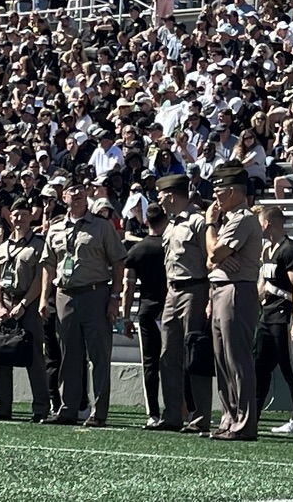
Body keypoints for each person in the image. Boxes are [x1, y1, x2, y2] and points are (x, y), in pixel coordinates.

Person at [41, 179, 126, 427]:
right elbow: (48, 264)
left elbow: (118, 262)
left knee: (99, 355)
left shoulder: (102, 226)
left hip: (95, 294)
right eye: (71, 191)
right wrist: (45, 298)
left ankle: (99, 412)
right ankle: (68, 409)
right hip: (65, 295)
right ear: (63, 197)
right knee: (68, 355)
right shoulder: (56, 228)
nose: (76, 194)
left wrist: (114, 298)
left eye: (80, 190)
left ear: (87, 195)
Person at [205, 162, 263, 441]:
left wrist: (209, 225)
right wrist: (217, 254)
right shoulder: (231, 220)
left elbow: (215, 254)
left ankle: (244, 421)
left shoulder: (242, 218)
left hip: (236, 290)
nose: (215, 197)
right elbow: (211, 260)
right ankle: (230, 417)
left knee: (236, 358)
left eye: (219, 191)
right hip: (220, 289)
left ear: (232, 191)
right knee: (222, 359)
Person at [153, 173, 211, 434]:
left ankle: (200, 416)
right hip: (173, 292)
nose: (158, 198)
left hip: (194, 289)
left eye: (161, 193)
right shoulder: (171, 224)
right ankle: (173, 413)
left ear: (171, 194)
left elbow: (210, 261)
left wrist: (209, 296)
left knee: (195, 354)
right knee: (168, 356)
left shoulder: (197, 221)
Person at [0, 198, 49, 422]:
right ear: (10, 217)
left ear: (31, 216)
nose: (19, 218)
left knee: (34, 358)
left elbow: (40, 278)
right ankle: (3, 406)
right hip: (4, 303)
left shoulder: (39, 245)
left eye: (23, 214)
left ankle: (41, 408)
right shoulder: (3, 246)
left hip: (27, 305)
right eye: (15, 214)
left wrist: (23, 304)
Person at [252, 203, 293, 435]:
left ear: (268, 223)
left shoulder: (290, 250)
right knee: (260, 368)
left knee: (290, 369)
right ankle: (251, 416)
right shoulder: (267, 250)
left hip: (284, 317)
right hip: (267, 316)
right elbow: (263, 285)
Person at [120, 204, 168, 423]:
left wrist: (125, 317)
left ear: (145, 222)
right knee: (176, 360)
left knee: (150, 363)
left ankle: (153, 413)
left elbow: (128, 286)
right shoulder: (170, 246)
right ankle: (184, 409)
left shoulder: (136, 251)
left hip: (147, 309)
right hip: (170, 307)